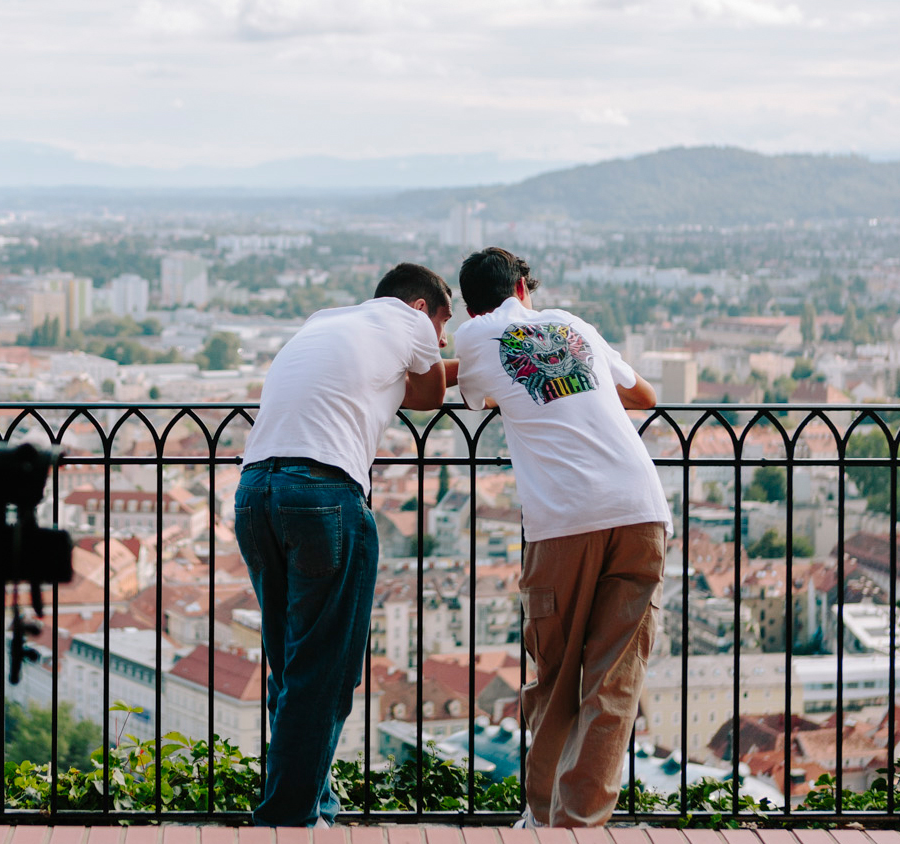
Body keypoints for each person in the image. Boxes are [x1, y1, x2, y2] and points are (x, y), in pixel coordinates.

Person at [449, 247, 668, 829]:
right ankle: (580, 823)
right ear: (524, 287)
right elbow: (645, 396)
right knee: (614, 680)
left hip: (566, 519)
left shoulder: (474, 339)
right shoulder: (573, 326)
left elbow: (474, 392)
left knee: (557, 673)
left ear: (470, 307)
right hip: (641, 509)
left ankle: (545, 819)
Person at [235, 262, 457, 827]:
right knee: (326, 672)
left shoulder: (326, 319)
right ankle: (288, 821)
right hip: (324, 492)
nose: (442, 338)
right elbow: (428, 396)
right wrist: (474, 369)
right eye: (444, 324)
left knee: (291, 664)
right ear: (421, 308)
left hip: (255, 488)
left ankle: (315, 805)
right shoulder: (409, 323)